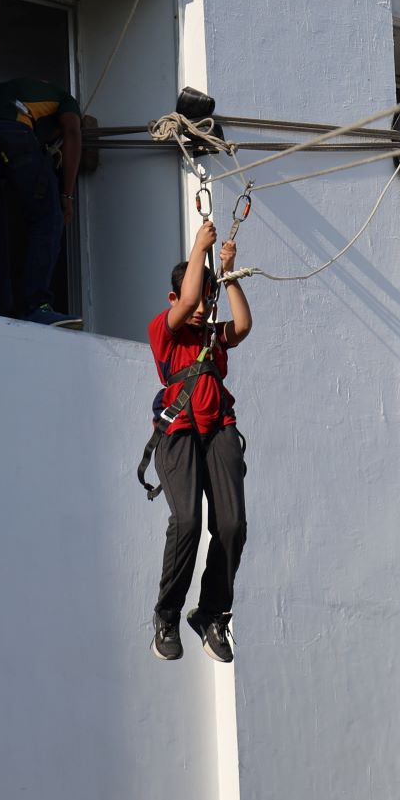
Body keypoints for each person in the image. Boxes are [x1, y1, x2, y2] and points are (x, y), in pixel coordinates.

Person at [147, 218, 251, 663]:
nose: (201, 307)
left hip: (218, 430)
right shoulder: (165, 330)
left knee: (232, 525)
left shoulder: (212, 335)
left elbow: (242, 325)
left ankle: (211, 612)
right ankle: (167, 614)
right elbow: (189, 297)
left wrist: (228, 275)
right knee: (187, 521)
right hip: (179, 433)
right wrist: (198, 245)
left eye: (208, 301)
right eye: (195, 299)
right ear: (173, 299)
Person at [0, 76, 84, 327]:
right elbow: (72, 132)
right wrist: (67, 196)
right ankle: (35, 306)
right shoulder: (66, 100)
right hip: (14, 133)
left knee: (0, 224)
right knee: (49, 220)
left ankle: (0, 304)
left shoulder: (13, 89)